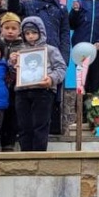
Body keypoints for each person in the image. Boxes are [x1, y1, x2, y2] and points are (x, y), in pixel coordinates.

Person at [22, 0, 69, 135]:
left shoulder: (61, 8)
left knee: (53, 93)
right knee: (35, 93)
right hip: (33, 55)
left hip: (54, 55)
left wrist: (65, 57)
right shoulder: (28, 5)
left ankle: (54, 129)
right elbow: (14, 7)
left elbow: (65, 33)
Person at [12, 17, 65, 152]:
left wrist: (51, 79)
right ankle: (26, 155)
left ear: (41, 32)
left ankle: (39, 155)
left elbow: (61, 68)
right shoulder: (19, 51)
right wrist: (12, 63)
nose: (30, 36)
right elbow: (13, 70)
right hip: (22, 92)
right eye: (27, 33)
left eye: (34, 33)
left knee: (40, 124)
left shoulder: (50, 50)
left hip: (43, 91)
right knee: (24, 125)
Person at [0, 14, 24, 151]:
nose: (10, 31)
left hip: (16, 87)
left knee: (13, 114)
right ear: (1, 29)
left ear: (19, 31)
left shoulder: (24, 47)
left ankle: (9, 143)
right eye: (7, 28)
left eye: (14, 28)